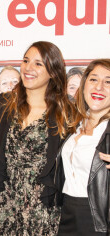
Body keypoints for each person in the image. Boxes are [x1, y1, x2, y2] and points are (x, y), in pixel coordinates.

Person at [0, 41, 76, 235]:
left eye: (38, 64)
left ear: (53, 72)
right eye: (25, 60)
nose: (28, 68)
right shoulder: (5, 103)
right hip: (5, 205)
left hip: (43, 209)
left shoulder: (66, 113)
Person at [55, 59, 110, 235]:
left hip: (99, 220)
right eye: (93, 79)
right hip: (66, 213)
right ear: (84, 85)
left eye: (108, 81)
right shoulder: (73, 125)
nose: (99, 87)